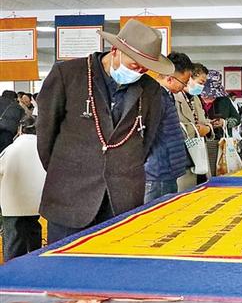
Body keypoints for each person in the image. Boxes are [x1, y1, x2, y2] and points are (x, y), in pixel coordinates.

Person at [37, 19, 172, 243]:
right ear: (115, 50)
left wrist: (122, 164)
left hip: (122, 200)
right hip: (69, 197)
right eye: (134, 65)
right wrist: (68, 169)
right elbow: (46, 134)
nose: (139, 71)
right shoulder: (68, 75)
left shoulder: (151, 90)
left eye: (145, 67)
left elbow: (146, 141)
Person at [143, 52, 192, 203]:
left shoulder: (166, 95)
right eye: (184, 82)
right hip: (158, 172)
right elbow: (146, 135)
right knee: (155, 213)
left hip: (167, 170)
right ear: (170, 79)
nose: (184, 87)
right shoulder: (154, 97)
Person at [0, 116, 45, 261]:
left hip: (13, 204)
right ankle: (34, 261)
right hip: (36, 203)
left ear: (20, 129)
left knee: (14, 237)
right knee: (34, 231)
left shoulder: (11, 149)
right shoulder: (43, 149)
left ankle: (12, 267)